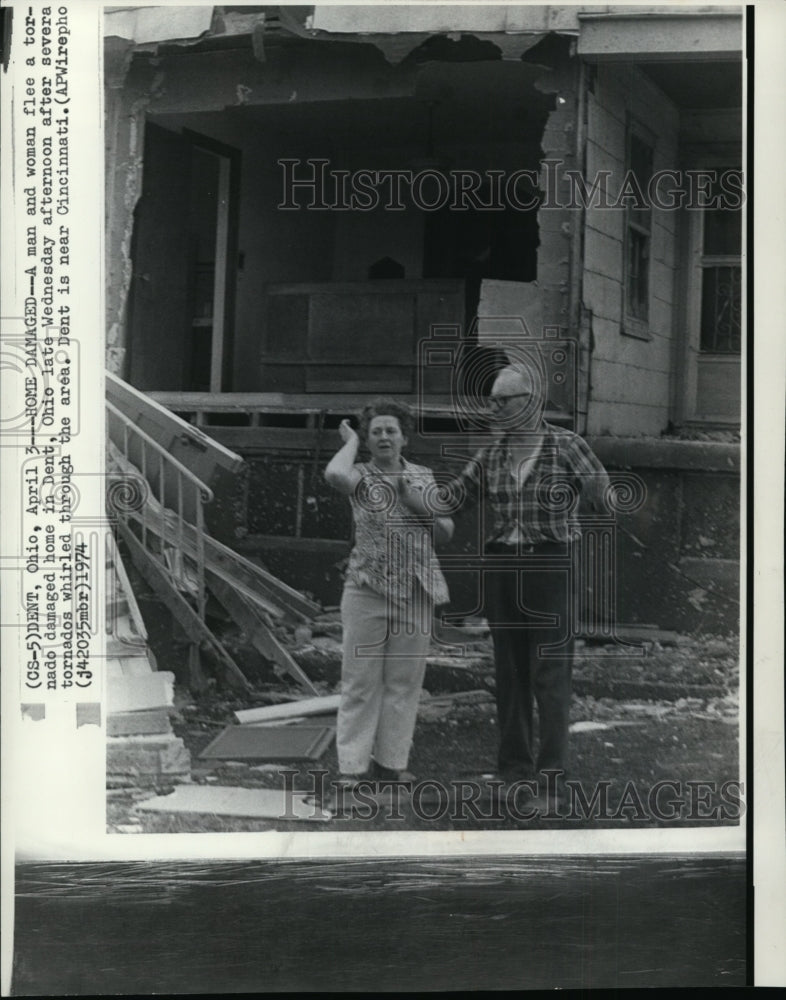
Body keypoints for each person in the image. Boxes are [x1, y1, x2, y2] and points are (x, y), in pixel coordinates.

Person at [448, 362, 609, 807]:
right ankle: (513, 771)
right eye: (493, 402)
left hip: (550, 564)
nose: (496, 409)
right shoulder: (492, 454)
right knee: (510, 673)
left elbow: (603, 490)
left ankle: (552, 780)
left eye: (504, 401)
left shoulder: (566, 445)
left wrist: (588, 493)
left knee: (550, 675)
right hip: (502, 566)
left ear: (531, 402)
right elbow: (454, 499)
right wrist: (404, 488)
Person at [324, 398, 453, 791]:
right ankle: (352, 766)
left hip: (416, 590)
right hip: (367, 589)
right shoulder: (359, 474)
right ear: (368, 439)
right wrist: (349, 441)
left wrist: (417, 503)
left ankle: (391, 763)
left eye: (390, 430)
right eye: (375, 431)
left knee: (403, 682)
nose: (384, 437)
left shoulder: (422, 476)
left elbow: (447, 531)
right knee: (360, 682)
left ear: (404, 438)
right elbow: (333, 474)